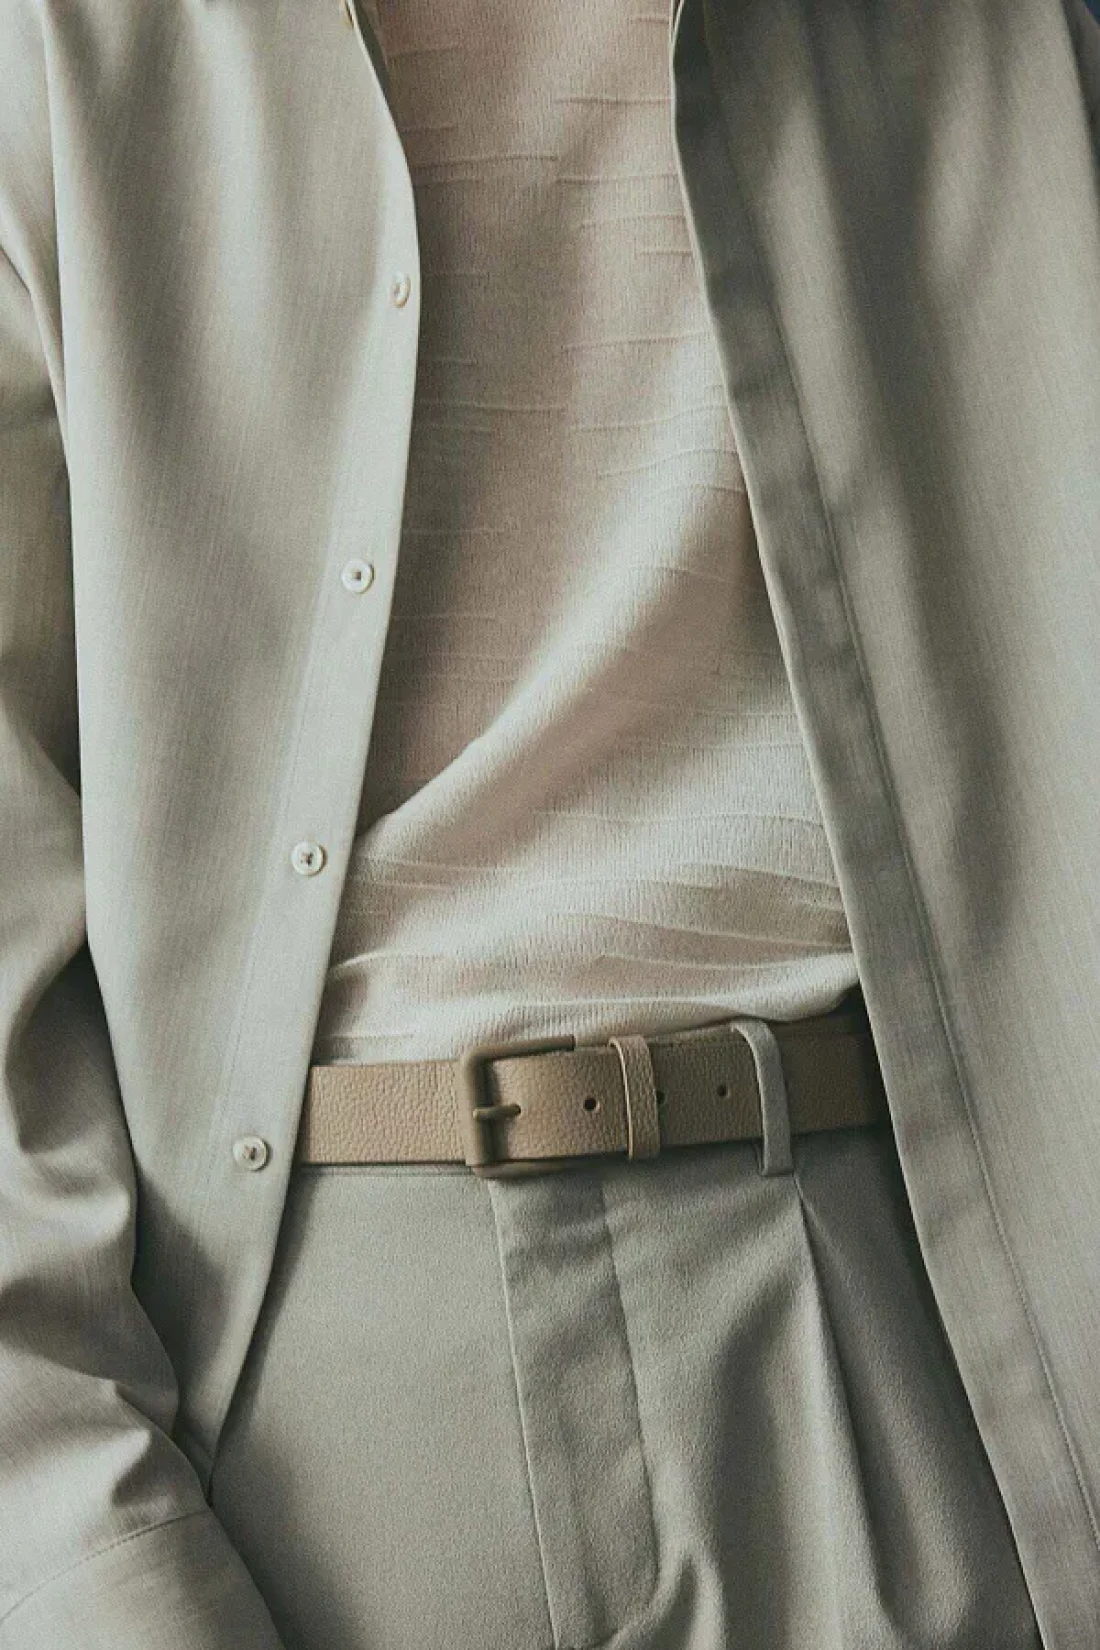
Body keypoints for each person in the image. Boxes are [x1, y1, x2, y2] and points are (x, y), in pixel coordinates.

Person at [0, 1, 1098, 1646]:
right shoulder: (61, 48)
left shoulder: (993, 42)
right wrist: (94, 1565)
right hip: (302, 1378)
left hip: (883, 1299)